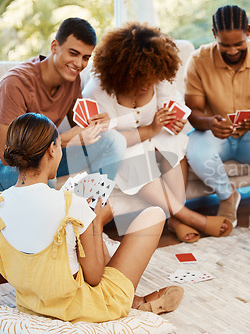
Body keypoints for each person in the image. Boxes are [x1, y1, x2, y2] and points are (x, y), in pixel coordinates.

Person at [0, 113, 184, 323]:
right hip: (80, 307)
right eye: (60, 146)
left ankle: (136, 301)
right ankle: (132, 302)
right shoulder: (69, 204)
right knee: (155, 214)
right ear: (52, 149)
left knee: (77, 245)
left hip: (32, 302)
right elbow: (95, 278)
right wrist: (96, 221)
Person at [83, 22, 233, 243]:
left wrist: (176, 122)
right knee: (131, 157)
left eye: (151, 78)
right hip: (116, 147)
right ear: (121, 73)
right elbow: (108, 141)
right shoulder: (98, 90)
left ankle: (174, 219)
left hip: (152, 136)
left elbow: (174, 107)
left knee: (173, 141)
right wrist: (150, 129)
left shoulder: (158, 77)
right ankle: (190, 217)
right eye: (139, 79)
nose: (147, 85)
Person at [0, 17, 126, 191]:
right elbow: (9, 156)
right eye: (73, 54)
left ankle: (92, 209)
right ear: (54, 47)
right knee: (42, 171)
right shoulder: (15, 84)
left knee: (114, 140)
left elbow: (80, 129)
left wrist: (95, 125)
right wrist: (61, 140)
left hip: (46, 154)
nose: (79, 63)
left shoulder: (72, 80)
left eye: (85, 57)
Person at [184, 5, 250, 245]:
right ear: (214, 34)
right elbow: (193, 114)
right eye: (225, 45)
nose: (232, 50)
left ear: (249, 31)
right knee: (193, 146)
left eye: (238, 43)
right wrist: (210, 122)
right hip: (216, 136)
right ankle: (227, 196)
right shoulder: (198, 60)